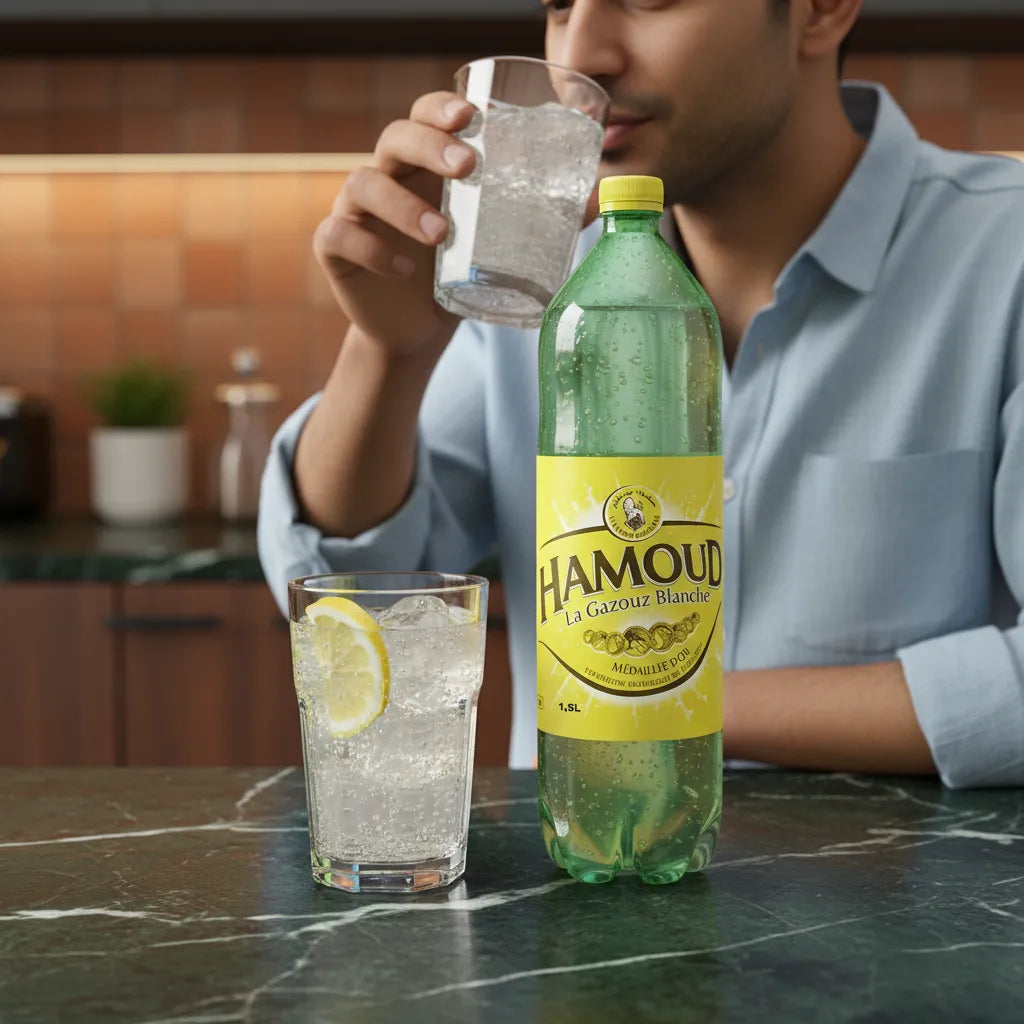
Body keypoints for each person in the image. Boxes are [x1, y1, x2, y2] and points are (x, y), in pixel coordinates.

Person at [259, 0, 1024, 787]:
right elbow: (356, 604)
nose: (585, 50)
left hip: (911, 900)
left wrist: (646, 695)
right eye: (559, 6)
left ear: (819, 11)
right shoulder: (541, 267)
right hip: (579, 882)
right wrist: (389, 354)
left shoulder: (1005, 256)